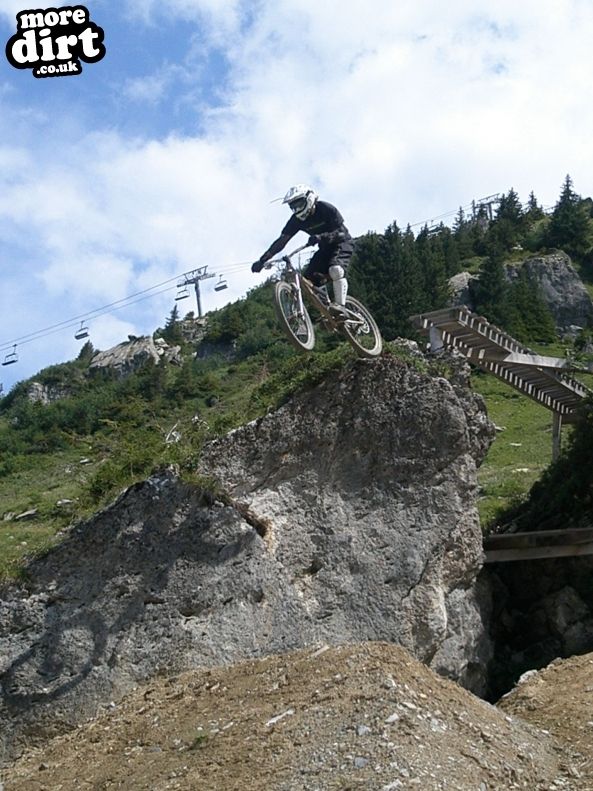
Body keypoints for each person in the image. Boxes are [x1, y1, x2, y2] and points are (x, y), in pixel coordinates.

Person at [251, 184, 354, 314]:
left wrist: (321, 237)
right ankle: (328, 311)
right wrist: (262, 260)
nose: (297, 209)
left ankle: (340, 307)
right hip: (324, 248)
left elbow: (342, 233)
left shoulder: (325, 208)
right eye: (293, 207)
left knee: (335, 269)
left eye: (299, 204)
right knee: (309, 280)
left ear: (309, 198)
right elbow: (281, 241)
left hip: (342, 243)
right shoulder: (296, 220)